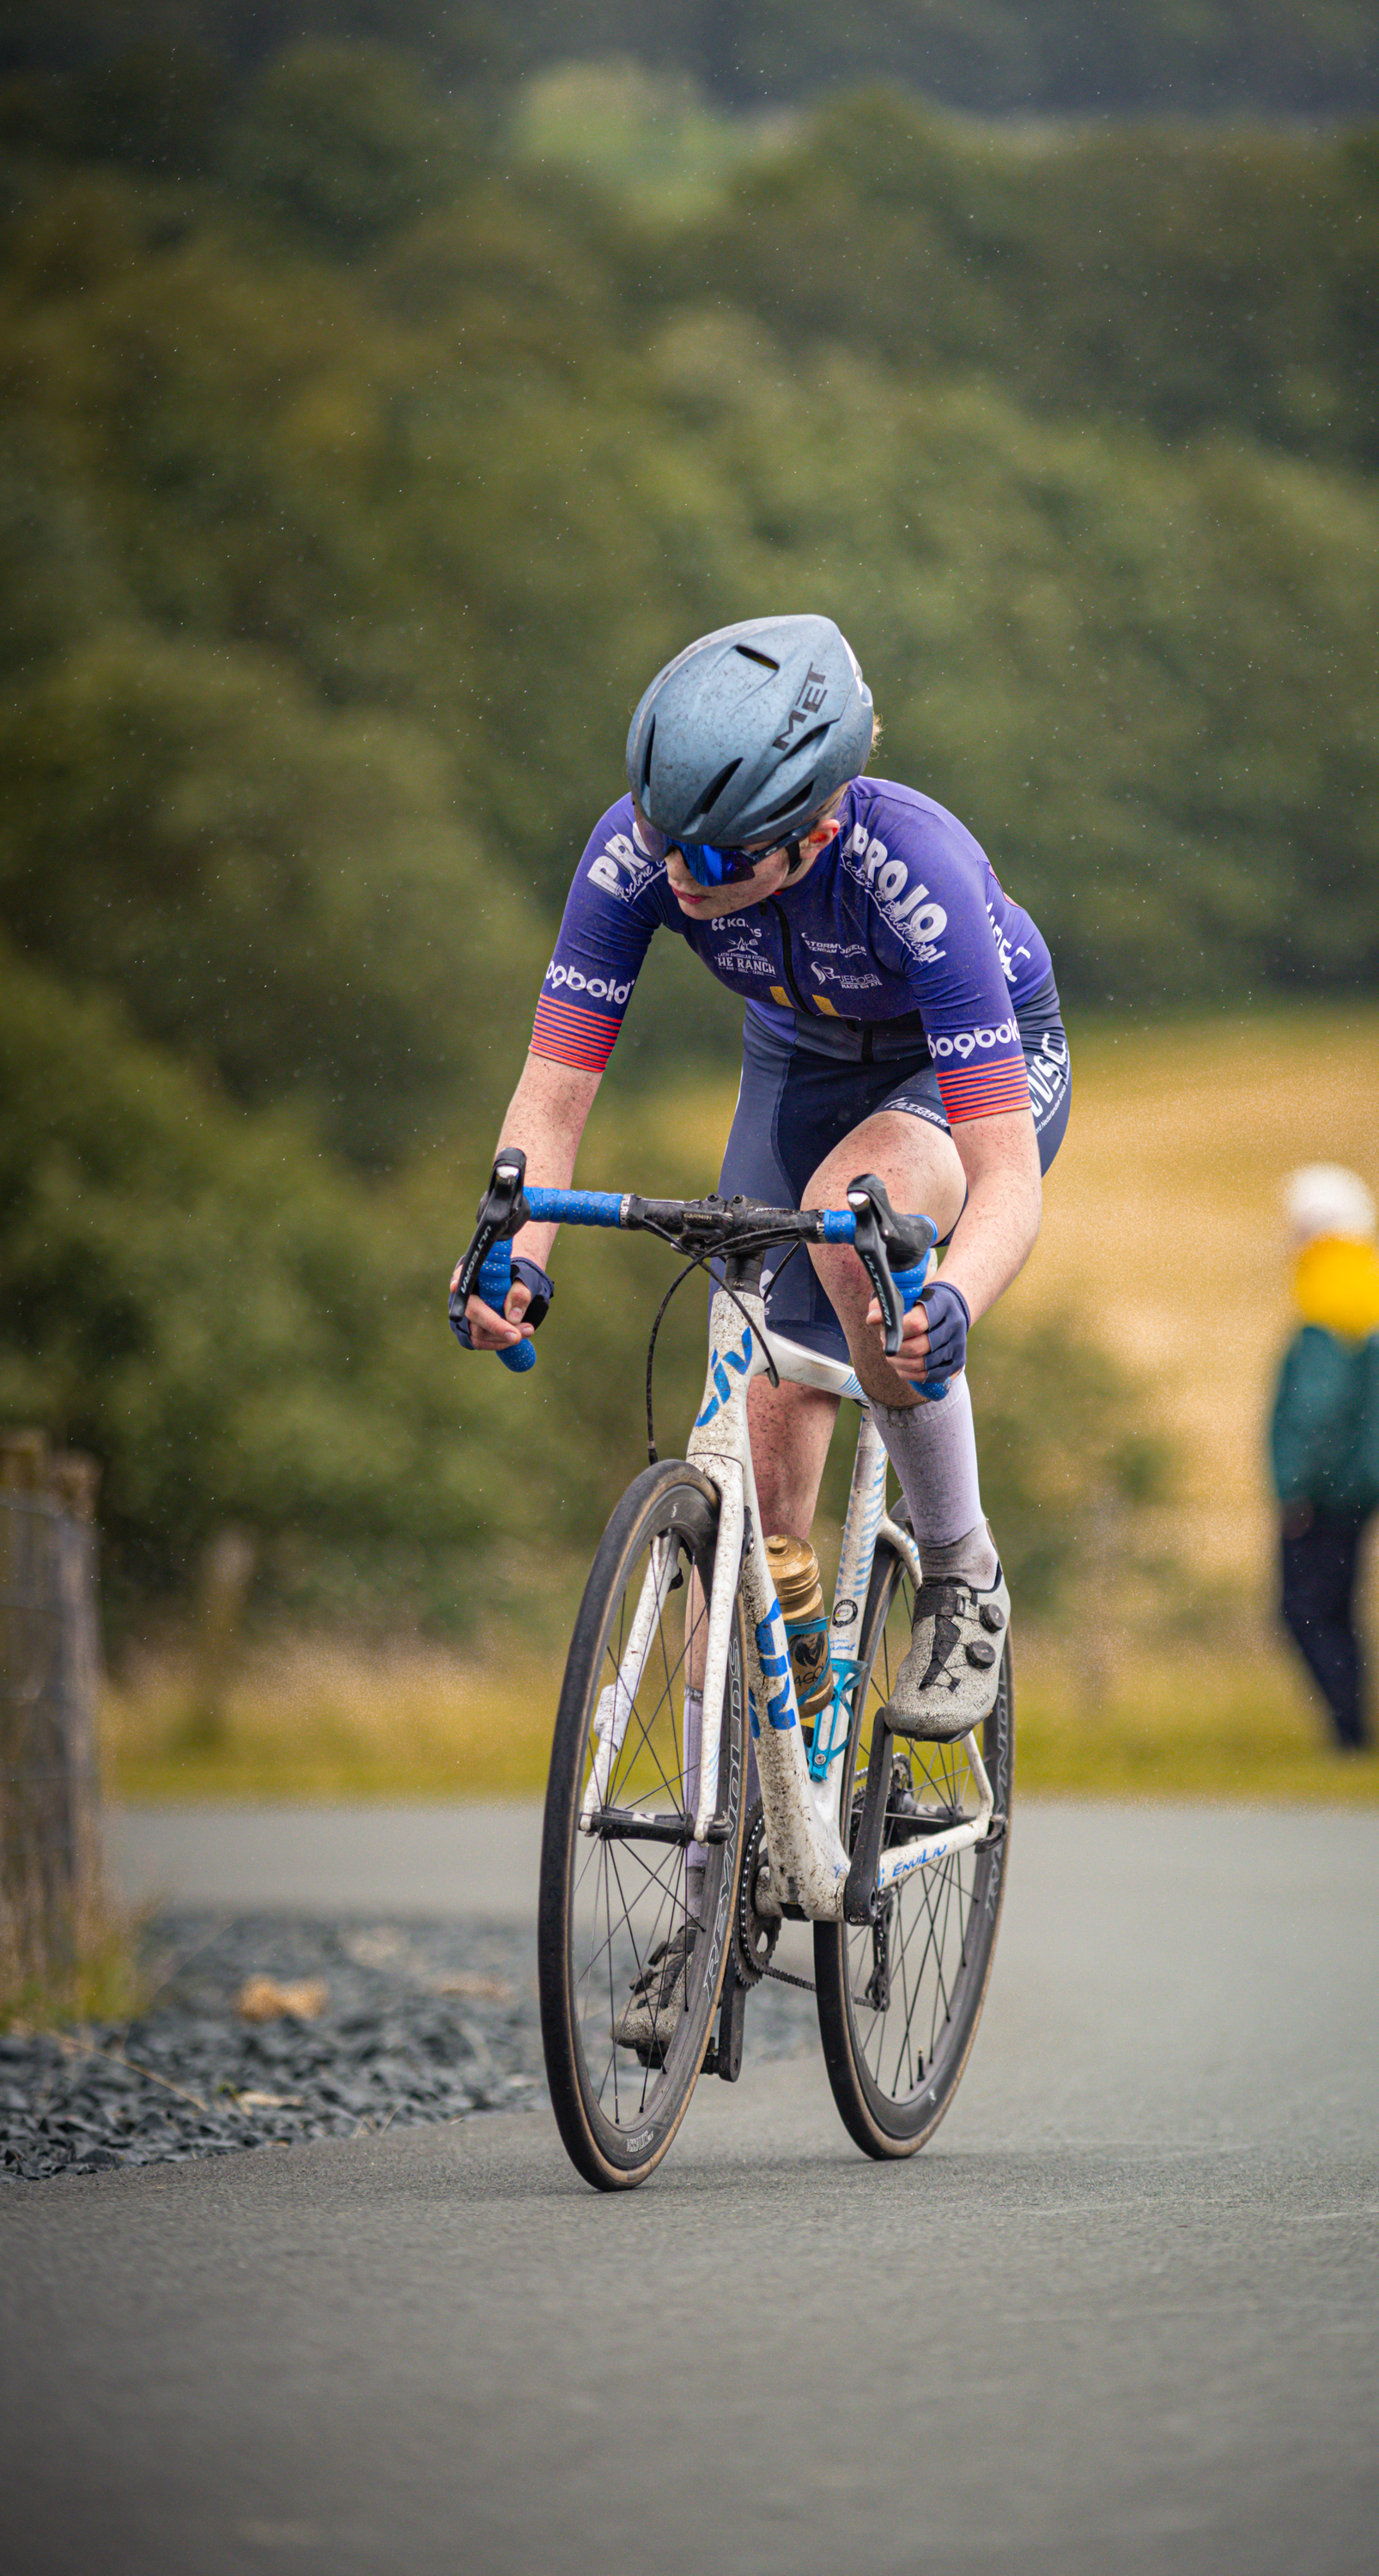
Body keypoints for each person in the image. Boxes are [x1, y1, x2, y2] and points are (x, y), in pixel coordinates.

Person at [452, 614, 1071, 2027]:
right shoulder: (646, 848)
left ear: (821, 818)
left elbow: (1011, 1181)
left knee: (859, 1224)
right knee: (759, 1491)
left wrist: (953, 1300)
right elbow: (551, 1104)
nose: (681, 876)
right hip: (794, 1066)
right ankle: (744, 1865)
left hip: (961, 1078)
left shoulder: (918, 872)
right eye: (668, 843)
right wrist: (515, 1249)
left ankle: (964, 1574)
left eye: (717, 861)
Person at [1268, 1166, 1379, 1752]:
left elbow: (1317, 1405)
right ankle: (1357, 1729)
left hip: (1324, 1492)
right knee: (1344, 1608)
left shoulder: (1326, 1289)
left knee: (1302, 1611)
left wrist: (1295, 1487)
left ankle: (1349, 1732)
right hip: (1370, 1483)